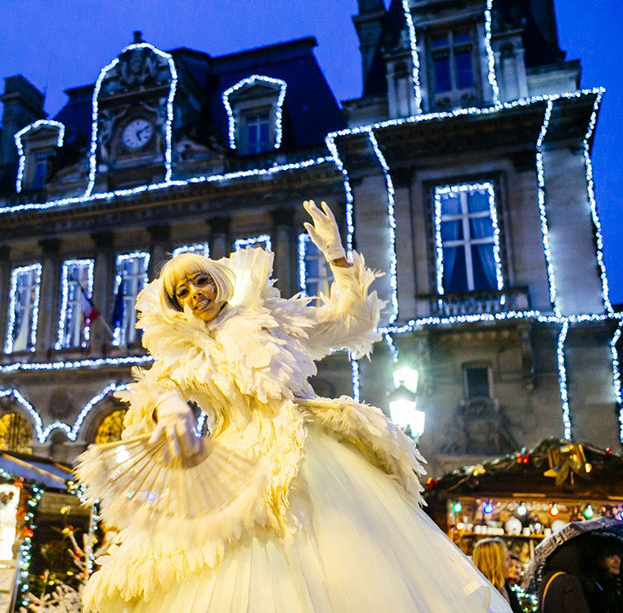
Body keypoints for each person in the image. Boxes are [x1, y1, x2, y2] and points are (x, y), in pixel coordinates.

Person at [76, 200, 512, 612]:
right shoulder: (187, 353)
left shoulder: (275, 319)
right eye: (183, 292)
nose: (195, 294)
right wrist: (171, 410)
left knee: (347, 552)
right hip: (236, 467)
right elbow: (157, 387)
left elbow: (352, 322)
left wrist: (338, 258)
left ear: (218, 280)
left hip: (311, 451)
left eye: (200, 281)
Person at [473, 538, 523, 613]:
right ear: (495, 565)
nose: (510, 564)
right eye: (506, 559)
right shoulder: (482, 597)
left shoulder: (504, 587)